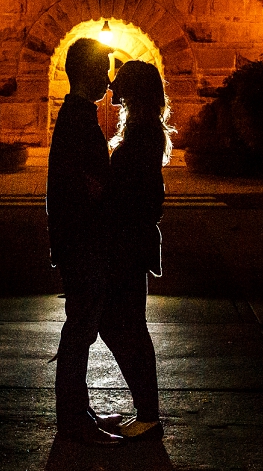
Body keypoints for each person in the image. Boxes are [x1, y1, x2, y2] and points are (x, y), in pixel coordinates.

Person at [46, 37, 122, 446]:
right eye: (104, 70)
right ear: (88, 72)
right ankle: (74, 420)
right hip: (84, 243)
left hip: (75, 241)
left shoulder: (74, 115)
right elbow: (90, 188)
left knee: (80, 330)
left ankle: (79, 411)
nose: (109, 81)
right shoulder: (79, 120)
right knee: (79, 331)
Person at [99, 59, 172, 441]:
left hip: (127, 245)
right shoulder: (145, 130)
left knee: (121, 325)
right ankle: (146, 410)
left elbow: (140, 195)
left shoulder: (141, 135)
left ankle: (148, 413)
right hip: (132, 244)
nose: (113, 89)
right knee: (126, 326)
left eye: (120, 83)